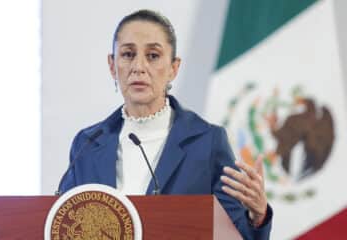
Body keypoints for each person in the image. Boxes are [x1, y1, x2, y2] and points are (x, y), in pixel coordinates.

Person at [58, 9, 272, 240]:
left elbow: (237, 234)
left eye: (152, 56)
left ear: (173, 68)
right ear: (112, 65)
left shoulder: (207, 142)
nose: (138, 66)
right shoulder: (87, 145)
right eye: (128, 54)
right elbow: (64, 226)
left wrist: (257, 216)